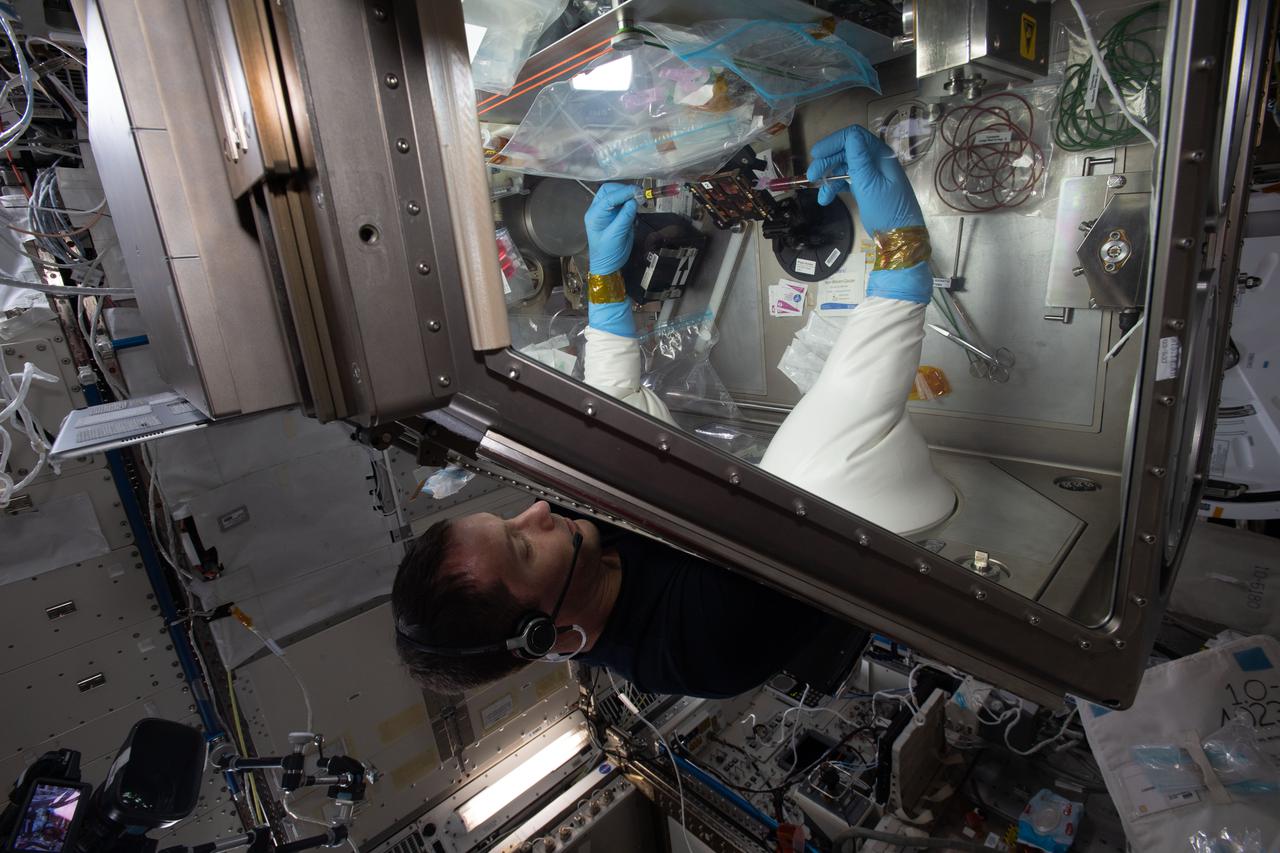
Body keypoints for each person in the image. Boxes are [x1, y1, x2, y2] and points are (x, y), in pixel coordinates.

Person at [392, 124, 954, 698]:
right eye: (523, 547)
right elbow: (801, 514)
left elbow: (609, 431)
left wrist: (605, 283)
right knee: (806, 480)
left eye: (508, 520)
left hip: (856, 459)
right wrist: (901, 257)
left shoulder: (573, 542)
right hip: (884, 521)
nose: (537, 512)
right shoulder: (700, 649)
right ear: (554, 635)